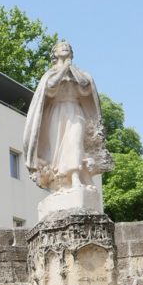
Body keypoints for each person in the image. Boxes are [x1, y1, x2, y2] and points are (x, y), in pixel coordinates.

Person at [22, 41, 109, 193]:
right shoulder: (50, 74)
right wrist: (64, 69)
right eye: (61, 46)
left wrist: (71, 69)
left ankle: (75, 177)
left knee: (75, 142)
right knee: (58, 150)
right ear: (54, 54)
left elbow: (85, 86)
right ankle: (62, 181)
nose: (65, 47)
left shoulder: (79, 74)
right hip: (56, 113)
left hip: (75, 110)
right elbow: (50, 88)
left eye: (68, 47)